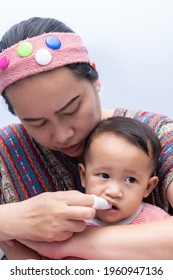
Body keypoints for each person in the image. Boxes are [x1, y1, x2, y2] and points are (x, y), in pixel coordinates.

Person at [0, 16, 173, 260]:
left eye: (71, 110)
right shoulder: (6, 150)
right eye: (36, 123)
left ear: (96, 78)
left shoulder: (158, 133)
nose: (63, 135)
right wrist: (10, 219)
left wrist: (70, 245)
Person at [18, 116, 170, 259]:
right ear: (83, 176)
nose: (114, 191)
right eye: (104, 176)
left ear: (148, 187)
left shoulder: (156, 222)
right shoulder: (68, 220)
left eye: (130, 180)